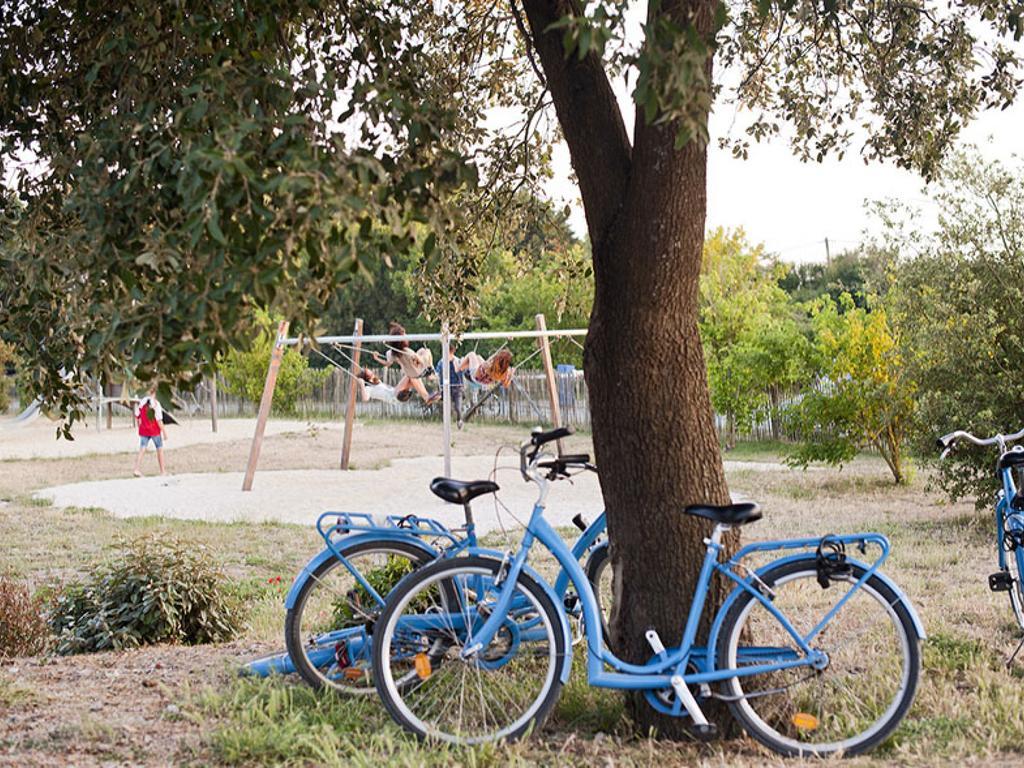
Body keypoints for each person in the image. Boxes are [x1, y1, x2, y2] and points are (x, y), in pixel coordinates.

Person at [371, 322, 440, 404]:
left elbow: (388, 364)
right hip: (417, 372)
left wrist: (376, 358)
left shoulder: (392, 353)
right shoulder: (408, 352)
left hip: (411, 373)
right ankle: (431, 374)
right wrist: (426, 361)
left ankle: (427, 396)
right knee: (426, 351)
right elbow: (421, 362)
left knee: (413, 375)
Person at [132, 384, 167, 477]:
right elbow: (159, 420)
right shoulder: (156, 404)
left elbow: (137, 415)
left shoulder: (142, 401)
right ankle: (163, 471)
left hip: (144, 429)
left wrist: (139, 425)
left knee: (142, 449)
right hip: (154, 430)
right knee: (159, 449)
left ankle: (136, 469)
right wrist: (164, 432)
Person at [434, 345, 465, 424]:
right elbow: (437, 373)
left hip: (457, 387)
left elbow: (461, 372)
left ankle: (459, 419)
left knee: (458, 407)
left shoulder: (457, 360)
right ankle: (446, 424)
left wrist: (455, 362)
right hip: (445, 388)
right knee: (447, 408)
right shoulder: (441, 362)